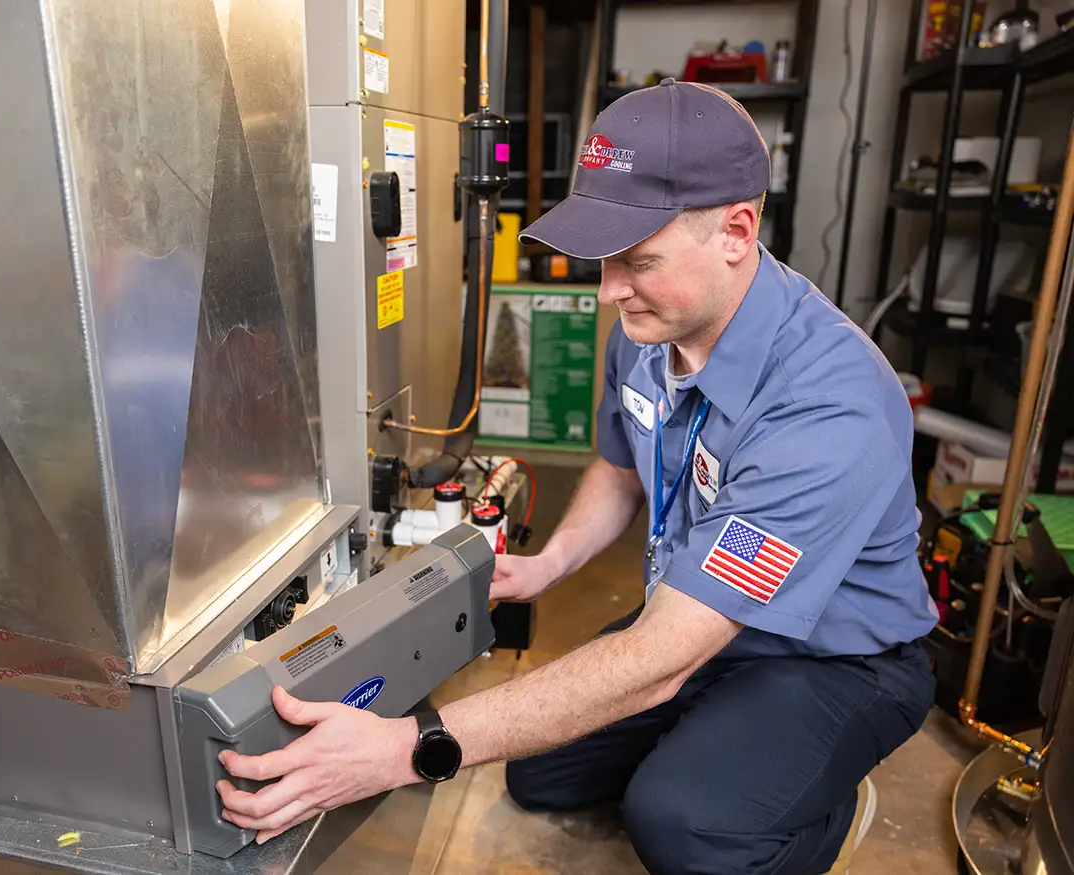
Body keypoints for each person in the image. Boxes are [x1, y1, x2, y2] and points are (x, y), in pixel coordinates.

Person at [213, 79, 939, 875]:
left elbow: (662, 652)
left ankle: (810, 808)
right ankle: (720, 736)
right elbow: (623, 464)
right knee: (538, 772)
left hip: (833, 659)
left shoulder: (829, 407)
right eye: (602, 261)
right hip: (698, 616)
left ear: (737, 230)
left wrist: (405, 749)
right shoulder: (653, 329)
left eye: (638, 261)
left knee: (682, 823)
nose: (608, 291)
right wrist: (551, 564)